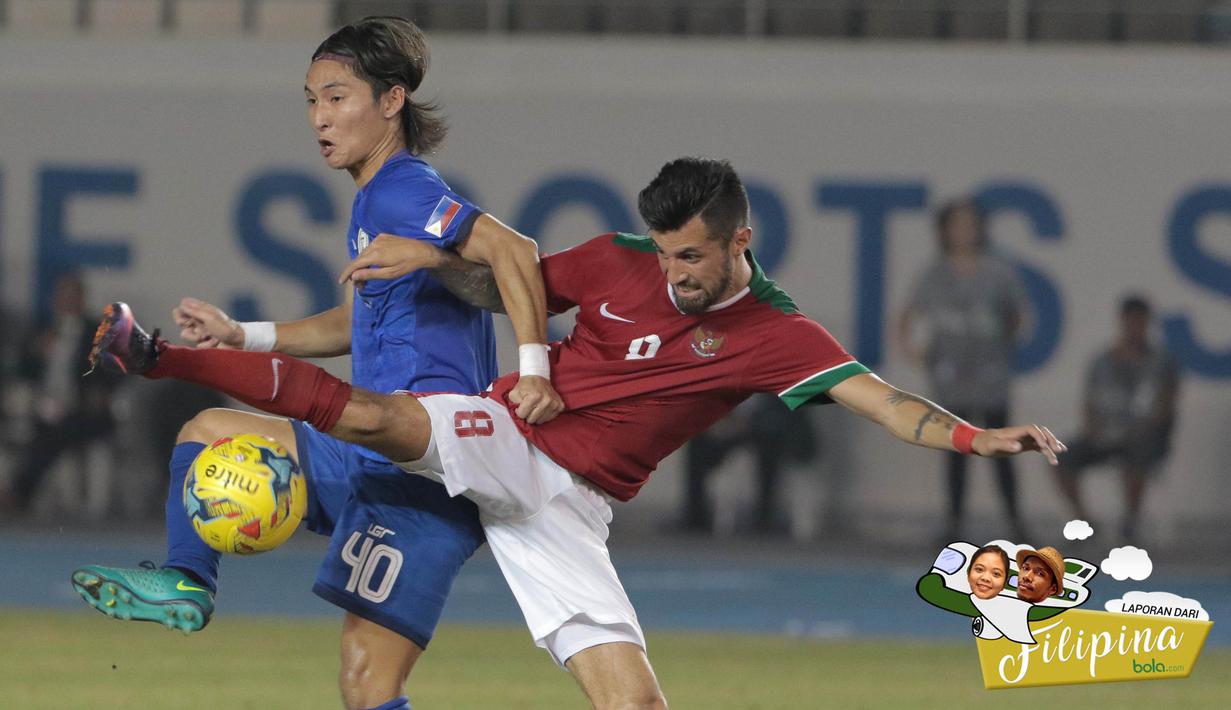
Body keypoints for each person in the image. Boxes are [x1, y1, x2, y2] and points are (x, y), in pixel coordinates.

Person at [90, 157, 1065, 708]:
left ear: (741, 242)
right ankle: (160, 356)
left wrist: (980, 440)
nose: (675, 271)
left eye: (694, 255)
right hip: (512, 433)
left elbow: (889, 402)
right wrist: (426, 258)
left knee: (631, 701)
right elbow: (495, 281)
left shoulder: (778, 334)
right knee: (374, 414)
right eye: (666, 250)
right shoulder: (615, 260)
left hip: (573, 507)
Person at [70, 17, 561, 710]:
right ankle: (188, 581)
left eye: (336, 98)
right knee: (208, 431)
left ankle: (160, 370)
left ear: (391, 102)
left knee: (368, 685)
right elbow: (354, 325)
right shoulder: (374, 199)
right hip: (369, 452)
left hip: (427, 467)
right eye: (310, 100)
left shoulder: (403, 188)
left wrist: (533, 369)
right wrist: (244, 333)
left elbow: (517, 252)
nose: (319, 119)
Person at [898, 198, 1030, 541]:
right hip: (951, 374)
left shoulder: (997, 273)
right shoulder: (934, 274)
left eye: (970, 225)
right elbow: (909, 314)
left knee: (1002, 445)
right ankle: (954, 521)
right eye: (957, 225)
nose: (964, 232)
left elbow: (1019, 315)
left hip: (989, 372)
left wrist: (1001, 345)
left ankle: (1015, 520)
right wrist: (914, 350)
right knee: (956, 448)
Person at [1052, 295, 1179, 543]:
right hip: (1104, 433)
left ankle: (1130, 521)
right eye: (1130, 321)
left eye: (1139, 321)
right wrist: (1094, 430)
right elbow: (1088, 404)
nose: (1134, 327)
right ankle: (1083, 520)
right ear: (1121, 322)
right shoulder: (1101, 362)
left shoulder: (1162, 363)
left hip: (1144, 438)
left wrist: (1144, 430)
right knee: (1060, 457)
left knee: (1137, 455)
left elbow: (1166, 406)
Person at [4, 272, 120, 516]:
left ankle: (20, 491)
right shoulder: (41, 328)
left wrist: (100, 391)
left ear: (82, 299)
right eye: (62, 296)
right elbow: (23, 371)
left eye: (72, 296)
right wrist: (37, 353)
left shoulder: (97, 333)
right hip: (43, 404)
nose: (66, 302)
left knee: (57, 431)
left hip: (83, 409)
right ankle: (21, 491)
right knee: (42, 425)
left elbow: (114, 370)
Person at [678, 393, 818, 534]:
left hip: (767, 428)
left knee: (770, 443)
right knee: (698, 441)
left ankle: (764, 517)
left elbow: (782, 410)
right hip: (733, 427)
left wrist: (751, 423)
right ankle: (696, 515)